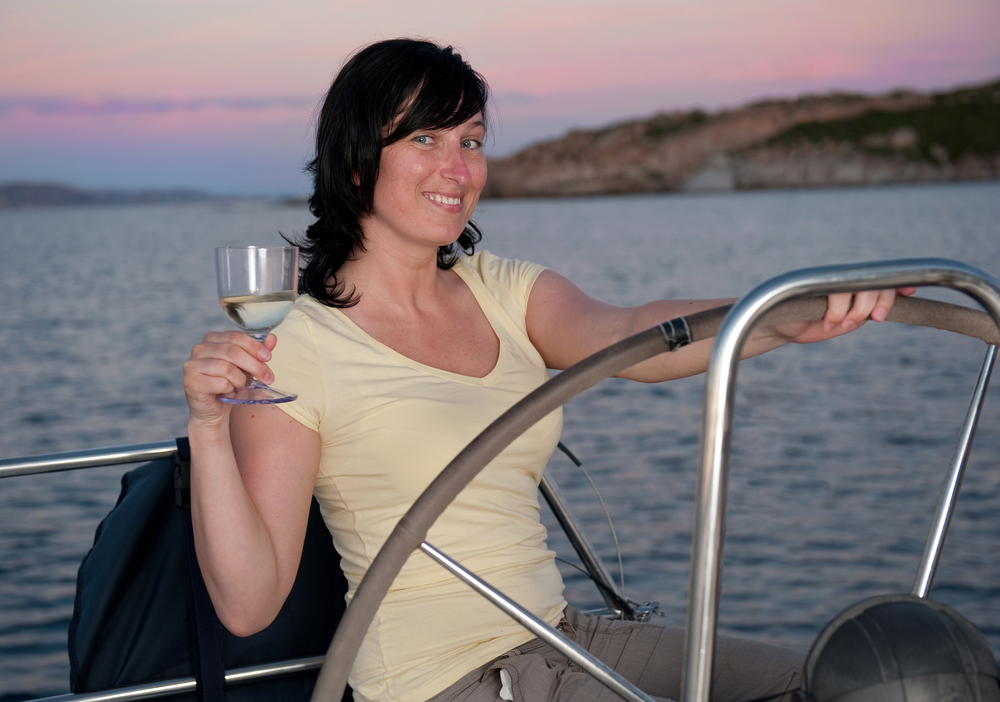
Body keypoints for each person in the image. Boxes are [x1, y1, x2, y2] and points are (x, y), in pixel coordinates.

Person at [183, 39, 911, 702]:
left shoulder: (499, 287)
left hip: (561, 638)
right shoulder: (302, 343)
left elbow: (632, 334)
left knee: (838, 686)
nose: (458, 168)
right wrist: (210, 427)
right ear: (355, 162)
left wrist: (787, 311)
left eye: (471, 140)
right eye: (425, 138)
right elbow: (249, 607)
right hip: (444, 682)